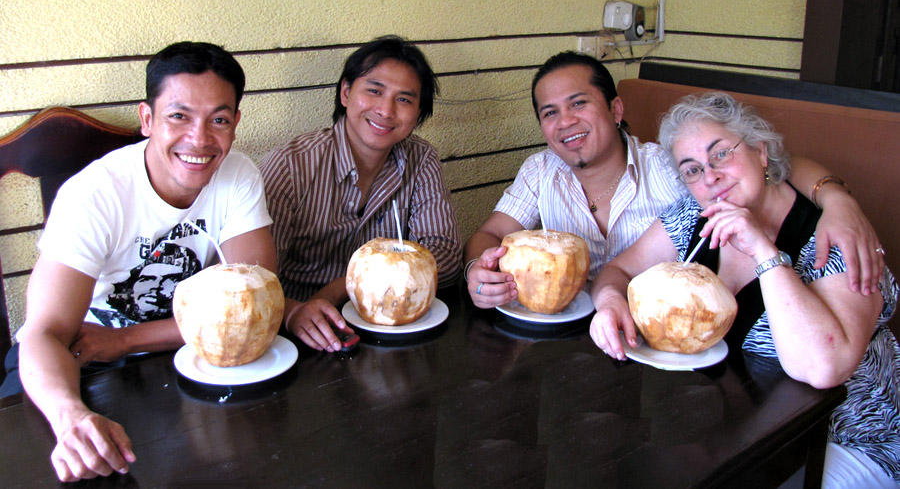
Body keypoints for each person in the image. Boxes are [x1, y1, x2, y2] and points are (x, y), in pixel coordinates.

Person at [589, 92, 898, 487]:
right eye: (692, 170)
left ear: (761, 152)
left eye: (721, 154)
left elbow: (824, 368)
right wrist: (611, 301)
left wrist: (762, 251)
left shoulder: (834, 236)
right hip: (738, 431)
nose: (710, 176)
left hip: (850, 442)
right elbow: (617, 270)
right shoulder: (694, 219)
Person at [11, 42, 277, 482]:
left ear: (235, 125)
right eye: (179, 116)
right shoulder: (93, 195)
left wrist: (128, 340)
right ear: (148, 119)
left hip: (194, 353)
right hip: (90, 356)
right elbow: (43, 334)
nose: (200, 138)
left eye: (219, 120)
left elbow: (257, 308)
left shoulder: (239, 175)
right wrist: (69, 416)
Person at [464, 51, 884, 309]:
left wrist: (836, 199)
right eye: (549, 112)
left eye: (579, 103)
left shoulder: (670, 167)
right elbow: (490, 234)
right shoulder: (541, 171)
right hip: (572, 328)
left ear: (614, 109)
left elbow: (769, 166)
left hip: (661, 331)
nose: (565, 121)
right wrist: (475, 272)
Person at [261, 36, 461, 352]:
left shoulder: (421, 159)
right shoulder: (292, 164)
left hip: (393, 327)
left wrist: (342, 288)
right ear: (345, 92)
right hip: (302, 332)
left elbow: (447, 257)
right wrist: (293, 312)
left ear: (419, 112)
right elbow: (257, 281)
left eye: (404, 100)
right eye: (374, 91)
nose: (385, 110)